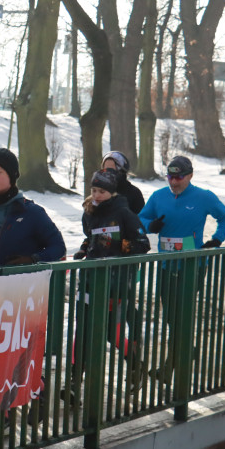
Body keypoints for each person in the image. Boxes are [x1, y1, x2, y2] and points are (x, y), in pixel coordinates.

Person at [138, 155, 225, 382]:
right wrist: (150, 225)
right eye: (170, 177)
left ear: (190, 175)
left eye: (179, 177)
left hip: (193, 266)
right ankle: (186, 351)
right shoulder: (158, 196)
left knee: (181, 316)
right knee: (172, 316)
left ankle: (170, 366)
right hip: (165, 265)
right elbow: (140, 218)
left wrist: (217, 239)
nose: (174, 182)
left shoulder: (203, 197)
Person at [66, 169, 151, 404]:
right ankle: (74, 382)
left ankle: (135, 365)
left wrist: (118, 245)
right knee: (81, 329)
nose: (97, 195)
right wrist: (84, 249)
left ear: (112, 193)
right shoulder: (89, 212)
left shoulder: (124, 213)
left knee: (110, 334)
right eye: (94, 190)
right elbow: (90, 238)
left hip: (115, 283)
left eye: (102, 191)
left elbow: (142, 244)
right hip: (90, 279)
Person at [0, 148, 66, 269]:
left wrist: (33, 259)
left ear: (12, 177)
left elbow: (58, 247)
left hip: (24, 284)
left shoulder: (32, 212)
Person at [101, 150, 145, 214]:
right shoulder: (98, 191)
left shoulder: (134, 193)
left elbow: (141, 219)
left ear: (122, 170)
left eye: (111, 169)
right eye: (105, 169)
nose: (108, 172)